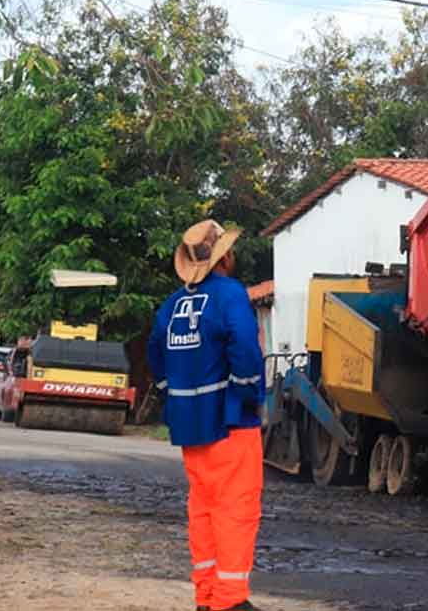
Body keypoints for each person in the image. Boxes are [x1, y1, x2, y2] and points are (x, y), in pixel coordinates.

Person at [148, 220, 266, 611]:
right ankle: (231, 600)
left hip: (190, 426)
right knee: (235, 508)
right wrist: (246, 394)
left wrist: (174, 399)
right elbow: (246, 347)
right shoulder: (230, 295)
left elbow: (155, 355)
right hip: (230, 423)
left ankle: (207, 596)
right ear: (225, 257)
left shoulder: (171, 305)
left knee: (203, 510)